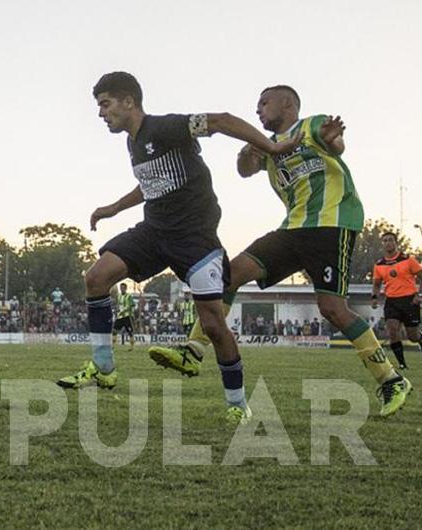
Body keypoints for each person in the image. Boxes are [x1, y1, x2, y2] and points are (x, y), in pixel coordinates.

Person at [150, 85, 412, 417]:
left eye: (263, 103)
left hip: (331, 224)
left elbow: (336, 143)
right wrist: (248, 154)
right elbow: (244, 170)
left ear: (286, 104)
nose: (257, 109)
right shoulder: (268, 145)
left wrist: (333, 140)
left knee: (332, 308)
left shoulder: (310, 126)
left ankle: (390, 379)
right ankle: (193, 349)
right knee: (228, 275)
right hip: (292, 228)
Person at [56, 71, 302, 424]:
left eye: (105, 104)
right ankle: (102, 366)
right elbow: (151, 183)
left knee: (214, 326)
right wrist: (112, 208)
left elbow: (222, 121)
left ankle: (237, 404)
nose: (101, 113)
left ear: (129, 101)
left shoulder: (166, 128)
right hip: (154, 232)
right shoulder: (134, 143)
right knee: (97, 277)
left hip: (194, 238)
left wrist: (273, 147)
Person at [372, 231, 422, 369]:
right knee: (392, 331)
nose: (388, 243)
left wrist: (419, 295)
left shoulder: (408, 260)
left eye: (390, 240)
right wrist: (375, 297)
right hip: (392, 301)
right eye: (385, 240)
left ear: (396, 242)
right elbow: (376, 284)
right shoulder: (379, 264)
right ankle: (402, 364)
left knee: (413, 336)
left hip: (409, 301)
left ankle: (420, 339)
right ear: (382, 244)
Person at [112, 283, 136, 350]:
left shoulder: (129, 296)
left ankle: (132, 347)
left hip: (127, 316)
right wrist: (117, 310)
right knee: (114, 330)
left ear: (125, 288)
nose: (121, 289)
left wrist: (126, 310)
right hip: (120, 316)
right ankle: (113, 346)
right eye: (121, 288)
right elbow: (119, 305)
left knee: (130, 332)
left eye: (123, 288)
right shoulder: (119, 296)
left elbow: (132, 305)